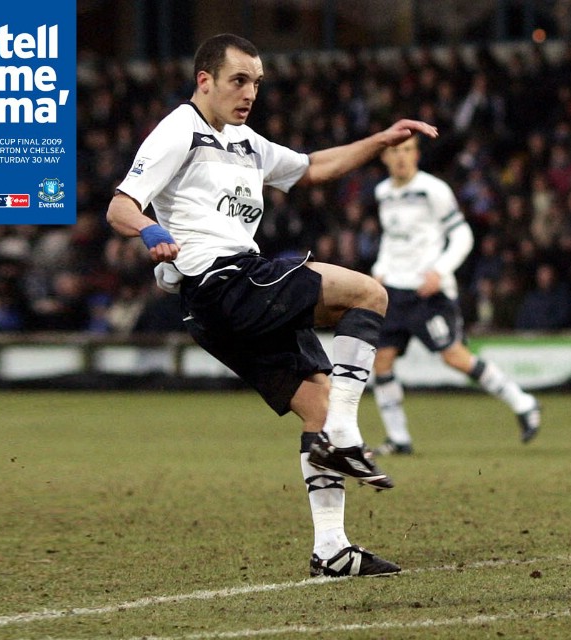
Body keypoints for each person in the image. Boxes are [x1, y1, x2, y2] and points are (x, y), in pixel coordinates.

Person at [105, 33, 440, 578]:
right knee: (369, 293)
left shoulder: (244, 140)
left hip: (220, 305)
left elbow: (316, 167)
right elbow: (121, 206)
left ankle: (331, 550)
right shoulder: (179, 130)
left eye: (256, 83)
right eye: (239, 80)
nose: (249, 93)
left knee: (317, 406)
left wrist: (381, 139)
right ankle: (349, 437)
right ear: (205, 81)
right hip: (226, 280)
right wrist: (150, 233)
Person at [369, 135, 540, 456]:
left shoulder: (434, 189)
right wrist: (380, 269)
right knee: (382, 360)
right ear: (385, 157)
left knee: (454, 356)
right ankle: (399, 439)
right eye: (395, 151)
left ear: (416, 154)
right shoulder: (383, 193)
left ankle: (524, 402)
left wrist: (441, 270)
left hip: (428, 293)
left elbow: (462, 234)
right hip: (393, 291)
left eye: (407, 150)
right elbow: (392, 239)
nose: (402, 157)